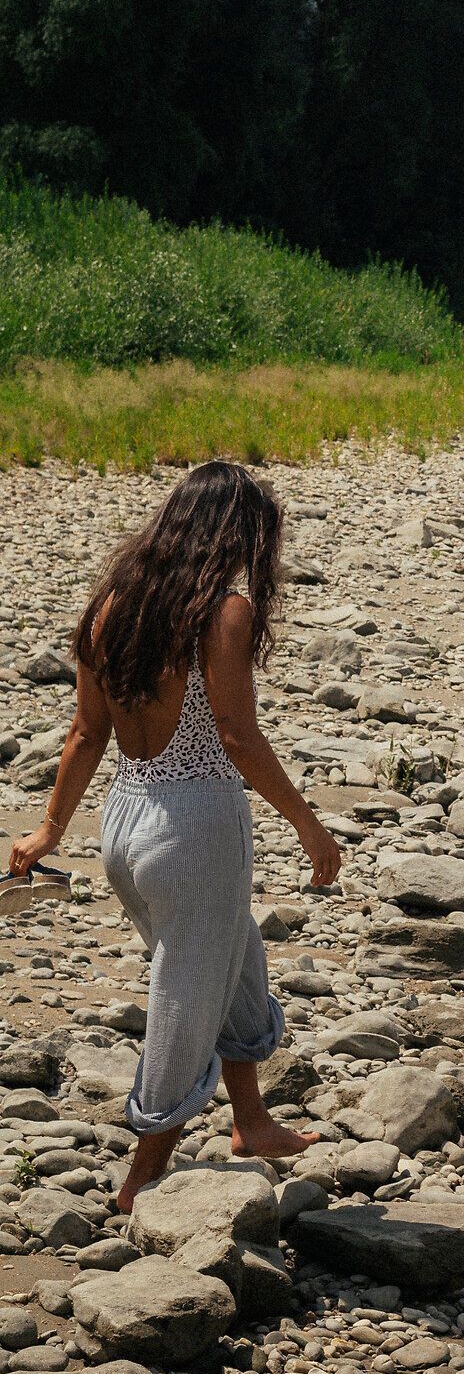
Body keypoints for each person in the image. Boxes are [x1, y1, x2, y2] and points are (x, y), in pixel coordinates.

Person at [7, 461, 342, 1211]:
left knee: (235, 954)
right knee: (186, 997)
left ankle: (250, 1121)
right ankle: (140, 1178)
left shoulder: (111, 606)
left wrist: (50, 828)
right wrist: (309, 826)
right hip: (194, 828)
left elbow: (86, 733)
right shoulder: (221, 611)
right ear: (235, 534)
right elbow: (236, 736)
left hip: (126, 824)